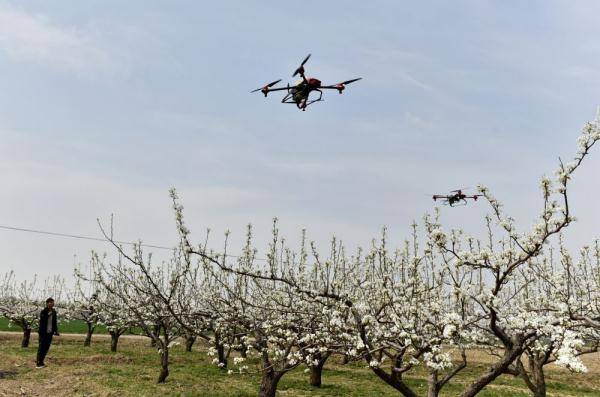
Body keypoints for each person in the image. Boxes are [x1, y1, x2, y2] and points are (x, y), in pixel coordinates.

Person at [36, 297, 59, 368]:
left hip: (50, 333)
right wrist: (48, 314)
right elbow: (42, 320)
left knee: (46, 347)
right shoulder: (44, 311)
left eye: (52, 302)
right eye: (50, 302)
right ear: (47, 303)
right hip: (43, 333)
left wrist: (56, 331)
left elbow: (54, 322)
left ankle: (42, 361)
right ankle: (38, 363)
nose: (52, 304)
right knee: (41, 347)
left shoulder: (54, 311)